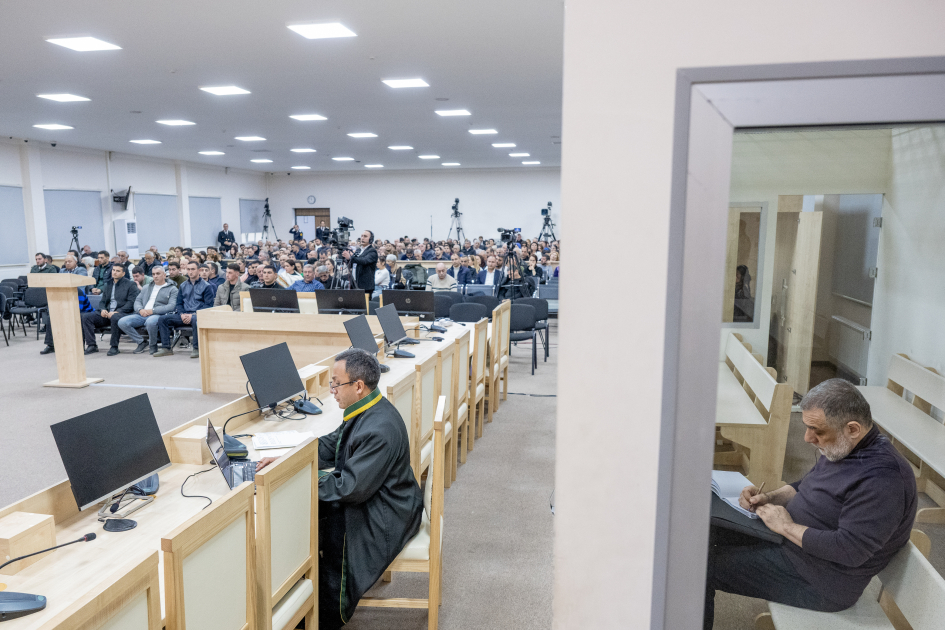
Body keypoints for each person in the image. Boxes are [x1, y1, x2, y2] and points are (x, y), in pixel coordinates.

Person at [704, 379, 917, 629]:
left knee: (696, 569)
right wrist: (771, 497)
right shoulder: (845, 446)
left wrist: (785, 527)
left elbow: (849, 551)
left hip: (820, 581)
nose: (807, 438)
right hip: (791, 545)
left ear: (853, 429)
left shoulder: (884, 479)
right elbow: (806, 485)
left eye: (817, 430)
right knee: (703, 536)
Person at [255, 348, 422, 629]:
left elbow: (348, 488)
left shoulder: (378, 429)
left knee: (327, 519)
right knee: (315, 507)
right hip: (378, 496)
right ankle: (301, 584)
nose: (331, 390)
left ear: (358, 386)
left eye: (335, 383)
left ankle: (325, 613)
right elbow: (332, 444)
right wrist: (290, 458)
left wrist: (300, 478)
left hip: (388, 514)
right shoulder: (367, 408)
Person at [155, 261, 215, 359]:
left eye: (193, 269)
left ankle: (196, 348)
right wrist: (182, 313)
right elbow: (179, 303)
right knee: (163, 319)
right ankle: (166, 348)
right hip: (183, 315)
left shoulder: (207, 286)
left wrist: (193, 315)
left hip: (197, 315)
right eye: (188, 269)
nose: (190, 272)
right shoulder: (183, 285)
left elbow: (208, 306)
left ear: (199, 270)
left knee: (196, 320)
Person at [117, 265, 179, 354]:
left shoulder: (172, 289)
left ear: (164, 275)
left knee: (151, 322)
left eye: (158, 274)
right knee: (122, 322)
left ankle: (153, 345)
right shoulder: (146, 287)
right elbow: (138, 300)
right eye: (153, 274)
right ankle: (141, 342)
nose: (155, 276)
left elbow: (171, 306)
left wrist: (153, 311)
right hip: (142, 314)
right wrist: (140, 309)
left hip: (158, 314)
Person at [80, 264, 139, 355]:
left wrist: (118, 311)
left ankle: (114, 346)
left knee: (115, 317)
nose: (114, 272)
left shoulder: (131, 284)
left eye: (118, 271)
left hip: (122, 313)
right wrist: (103, 309)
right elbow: (103, 301)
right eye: (113, 270)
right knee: (86, 316)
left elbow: (131, 303)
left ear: (123, 273)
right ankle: (92, 345)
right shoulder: (108, 284)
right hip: (107, 313)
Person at [342, 230, 378, 298]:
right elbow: (353, 263)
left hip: (365, 286)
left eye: (365, 236)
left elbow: (364, 261)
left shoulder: (372, 251)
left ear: (370, 239)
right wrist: (347, 259)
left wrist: (351, 257)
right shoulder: (358, 250)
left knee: (365, 307)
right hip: (355, 283)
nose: (362, 238)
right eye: (361, 236)